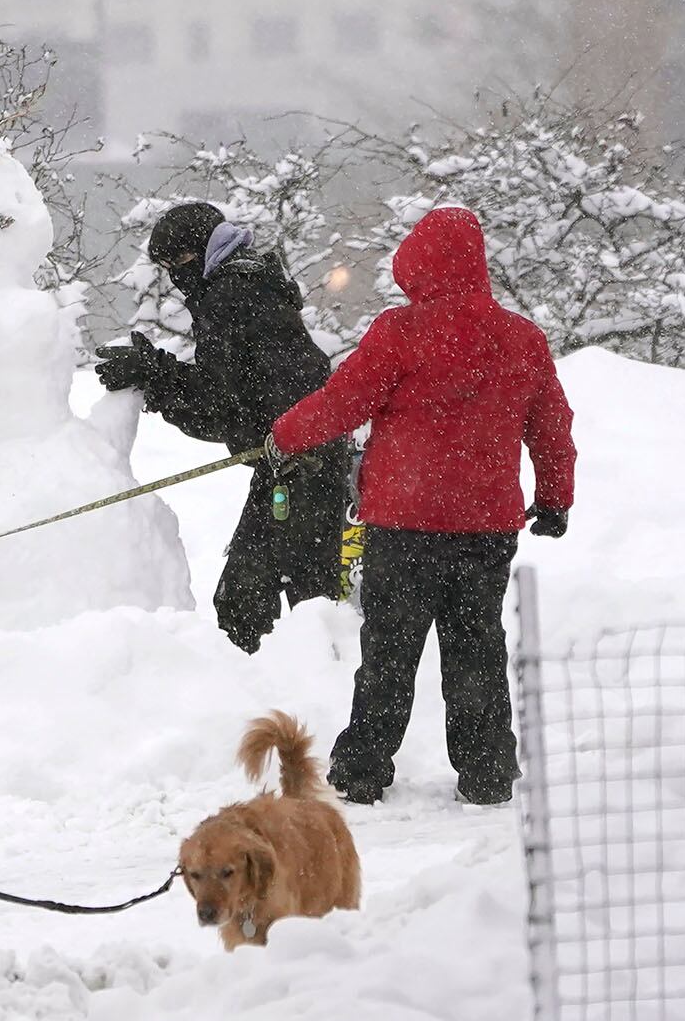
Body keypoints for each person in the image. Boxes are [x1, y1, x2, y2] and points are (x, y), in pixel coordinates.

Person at [267, 205, 575, 807]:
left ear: (417, 264)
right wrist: (556, 498)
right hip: (485, 529)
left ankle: (362, 769)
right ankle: (486, 772)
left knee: (389, 648)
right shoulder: (521, 337)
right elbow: (551, 426)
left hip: (405, 525)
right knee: (476, 649)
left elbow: (343, 401)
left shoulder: (401, 332)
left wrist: (284, 438)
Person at [95, 203, 348, 654]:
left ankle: (290, 698)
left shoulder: (233, 294)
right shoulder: (249, 284)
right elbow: (240, 394)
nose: (176, 277)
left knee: (262, 605)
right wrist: (161, 374)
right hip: (299, 459)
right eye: (167, 268)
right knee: (292, 600)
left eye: (179, 263)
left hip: (300, 465)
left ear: (203, 250)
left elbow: (222, 406)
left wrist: (156, 375)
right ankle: (299, 692)